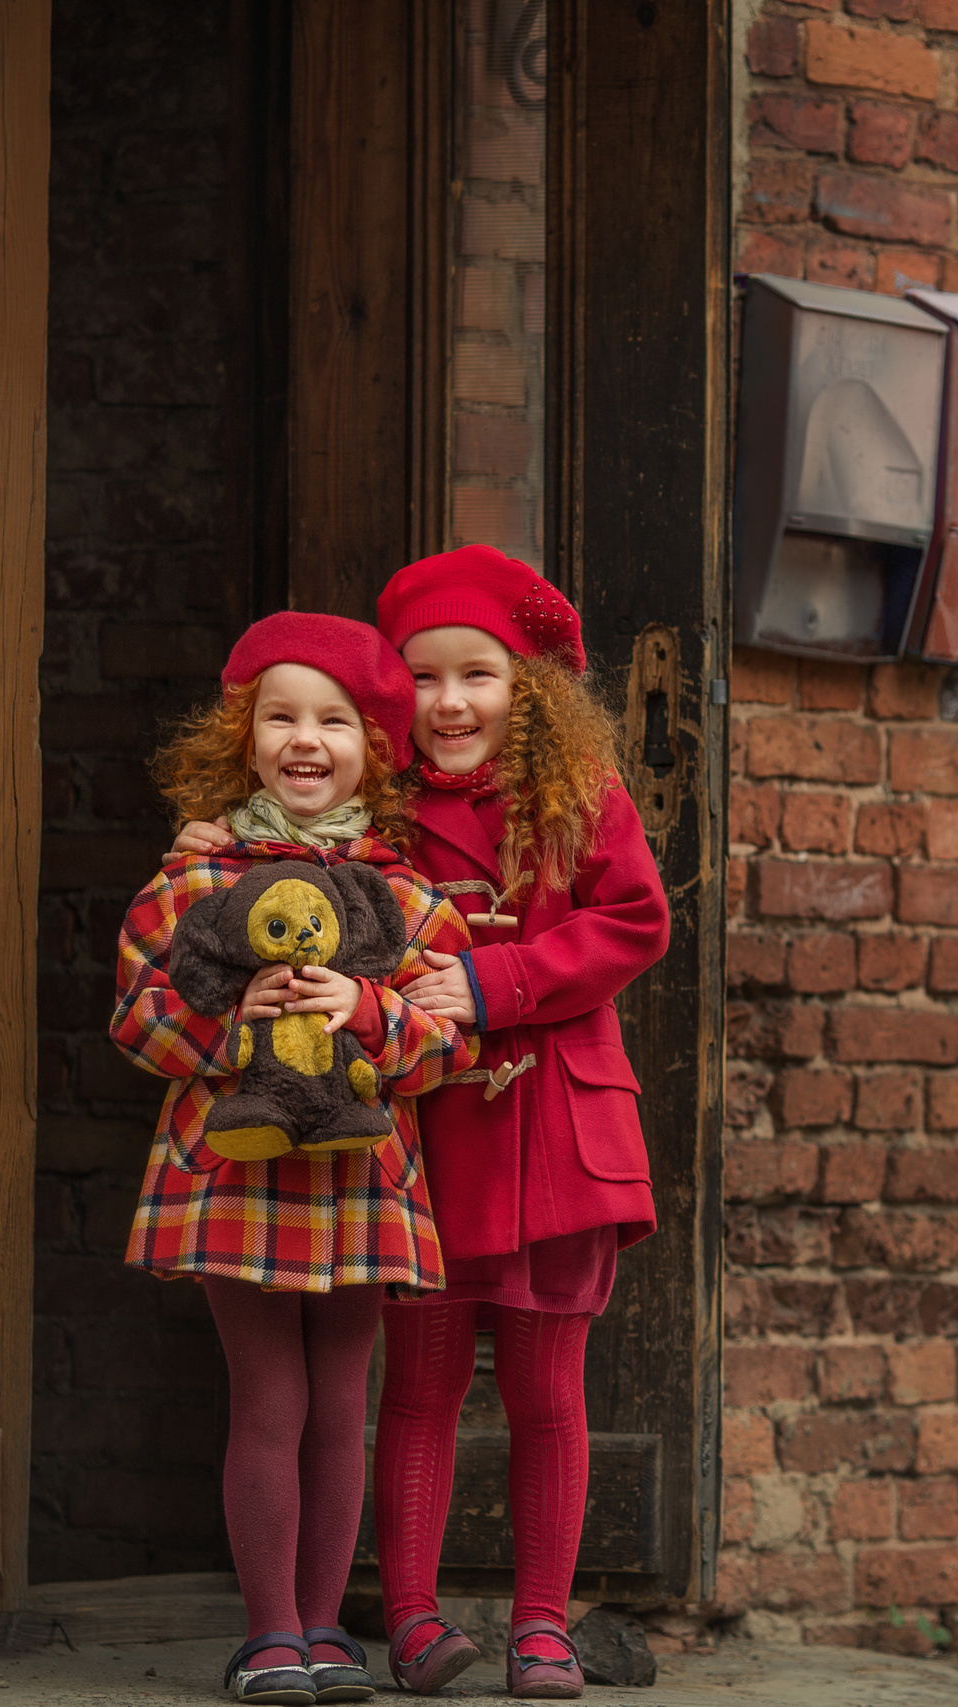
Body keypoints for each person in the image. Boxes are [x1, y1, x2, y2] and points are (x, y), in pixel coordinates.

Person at [179, 547, 668, 1698]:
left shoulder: (583, 797)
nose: (452, 704)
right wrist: (214, 848)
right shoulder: (378, 814)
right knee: (422, 1380)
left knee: (551, 1391)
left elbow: (635, 921)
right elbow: (287, 872)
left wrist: (499, 987)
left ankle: (541, 1626)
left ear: (526, 690)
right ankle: (409, 1619)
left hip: (559, 1125)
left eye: (480, 676)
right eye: (427, 679)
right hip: (432, 1129)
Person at [116, 611, 479, 1707]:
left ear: (375, 744)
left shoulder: (409, 898)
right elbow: (138, 1021)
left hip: (360, 1180)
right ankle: (269, 1633)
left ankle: (328, 1630)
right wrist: (236, 1030)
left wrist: (365, 1009)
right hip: (235, 1175)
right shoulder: (190, 884)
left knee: (339, 1406)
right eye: (280, 716)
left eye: (335, 719)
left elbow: (445, 1045)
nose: (305, 738)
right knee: (267, 1403)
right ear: (245, 738)